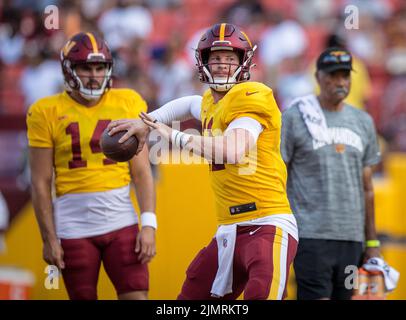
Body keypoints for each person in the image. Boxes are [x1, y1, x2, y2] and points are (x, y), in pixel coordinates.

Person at [108, 23, 298, 300]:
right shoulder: (211, 101)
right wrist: (147, 123)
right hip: (228, 229)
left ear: (243, 62)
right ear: (203, 62)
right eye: (216, 58)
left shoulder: (252, 95)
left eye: (230, 58)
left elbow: (232, 151)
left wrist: (173, 135)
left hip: (267, 224)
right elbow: (188, 104)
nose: (222, 64)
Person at [26, 32, 156, 300]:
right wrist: (49, 238)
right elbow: (40, 182)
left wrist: (148, 225)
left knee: (136, 297)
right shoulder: (44, 111)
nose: (94, 75)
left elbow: (142, 172)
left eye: (100, 67)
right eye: (86, 67)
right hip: (72, 226)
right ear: (69, 70)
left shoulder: (127, 101)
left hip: (122, 220)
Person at [281, 47, 381, 300]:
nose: (340, 82)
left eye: (345, 76)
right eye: (333, 75)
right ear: (318, 77)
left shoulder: (363, 122)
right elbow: (279, 174)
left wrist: (371, 242)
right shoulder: (296, 117)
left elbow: (367, 187)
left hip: (351, 238)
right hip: (310, 234)